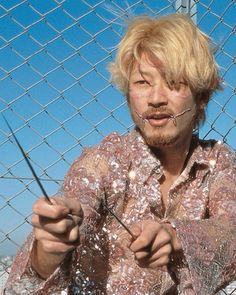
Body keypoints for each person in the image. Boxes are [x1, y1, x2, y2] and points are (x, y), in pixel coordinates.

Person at [4, 13, 236, 295]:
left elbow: (231, 228)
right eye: (142, 83)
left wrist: (177, 236)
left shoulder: (217, 161)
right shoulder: (106, 160)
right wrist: (48, 249)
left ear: (201, 97)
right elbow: (78, 201)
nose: (156, 98)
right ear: (128, 96)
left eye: (174, 82)